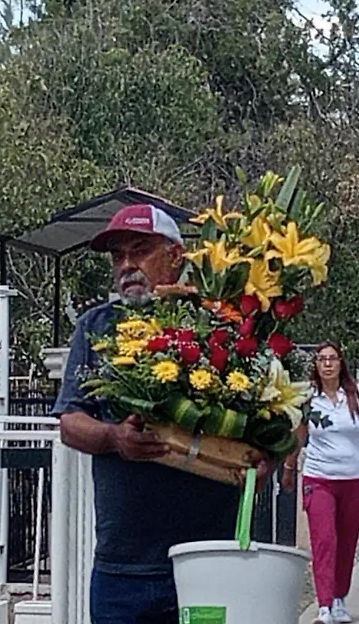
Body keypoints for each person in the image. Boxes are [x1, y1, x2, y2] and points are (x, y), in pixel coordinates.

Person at [51, 204, 271, 624]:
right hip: (123, 566)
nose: (127, 265)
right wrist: (115, 438)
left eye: (140, 250)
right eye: (118, 256)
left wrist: (267, 461)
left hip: (209, 559)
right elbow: (70, 424)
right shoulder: (96, 327)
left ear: (175, 256)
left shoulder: (218, 324)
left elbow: (276, 419)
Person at [282, 342, 359, 624]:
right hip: (320, 478)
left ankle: (339, 597)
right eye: (322, 359)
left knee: (347, 541)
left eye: (332, 359)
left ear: (341, 362)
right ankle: (325, 604)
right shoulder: (309, 398)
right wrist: (289, 467)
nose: (327, 364)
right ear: (315, 365)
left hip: (355, 478)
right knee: (324, 540)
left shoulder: (358, 394)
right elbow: (299, 436)